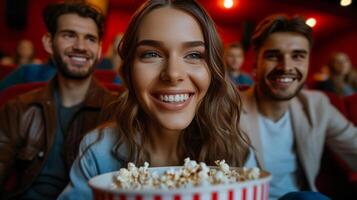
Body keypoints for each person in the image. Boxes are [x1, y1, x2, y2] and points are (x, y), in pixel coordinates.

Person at [58, 0, 255, 199]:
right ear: (129, 71)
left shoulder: (236, 148)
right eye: (152, 54)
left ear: (213, 70)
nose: (173, 73)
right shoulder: (98, 151)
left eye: (194, 54)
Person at [0, 2, 117, 199]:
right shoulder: (18, 108)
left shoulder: (117, 111)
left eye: (90, 38)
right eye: (69, 35)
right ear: (48, 42)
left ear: (98, 50)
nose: (80, 46)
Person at [239, 15, 357, 200]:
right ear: (256, 63)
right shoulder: (228, 107)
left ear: (308, 62)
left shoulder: (317, 105)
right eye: (272, 56)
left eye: (297, 56)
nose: (286, 67)